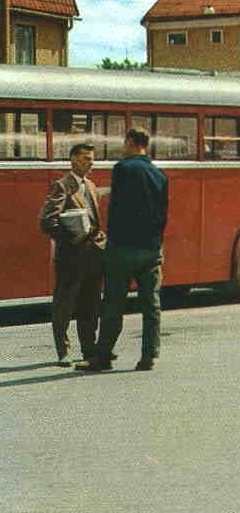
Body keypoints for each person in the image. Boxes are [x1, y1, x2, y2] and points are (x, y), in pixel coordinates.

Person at [77, 127, 168, 372]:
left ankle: (103, 355)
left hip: (123, 248)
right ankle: (149, 355)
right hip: (150, 249)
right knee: (151, 305)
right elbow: (162, 214)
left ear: (130, 142)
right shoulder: (160, 175)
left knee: (113, 304)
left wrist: (112, 240)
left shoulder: (123, 169)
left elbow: (116, 209)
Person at [38, 142, 107, 366]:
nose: (91, 163)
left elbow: (95, 222)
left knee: (90, 304)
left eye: (92, 158)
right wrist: (70, 237)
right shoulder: (62, 186)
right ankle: (63, 351)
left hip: (93, 256)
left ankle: (89, 350)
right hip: (71, 256)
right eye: (87, 158)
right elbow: (47, 221)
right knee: (65, 304)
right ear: (74, 159)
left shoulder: (91, 186)